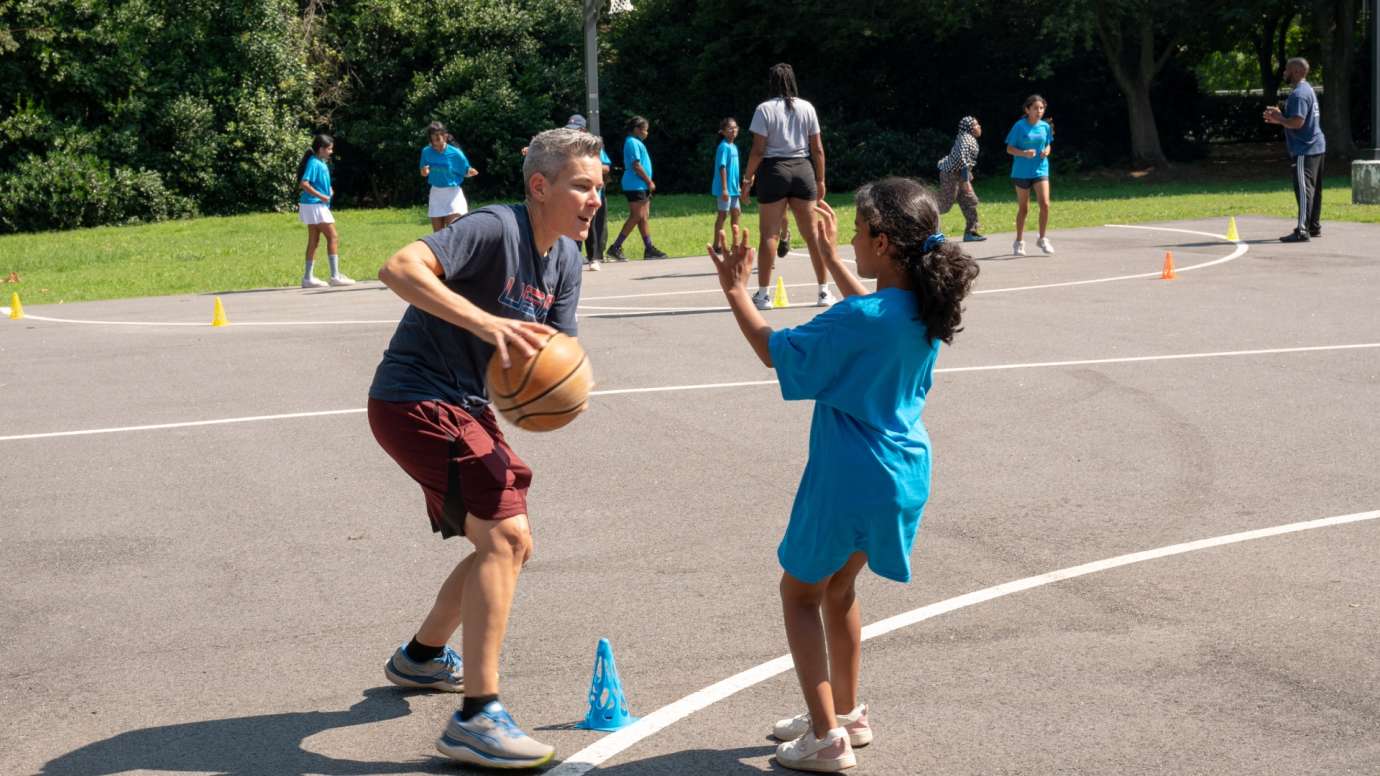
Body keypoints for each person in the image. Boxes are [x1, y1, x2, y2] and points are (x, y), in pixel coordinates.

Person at [708, 178, 978, 772]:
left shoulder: (860, 317)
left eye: (856, 233)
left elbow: (772, 348)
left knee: (799, 593)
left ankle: (826, 738)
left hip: (850, 475)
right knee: (840, 589)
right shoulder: (922, 309)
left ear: (882, 243)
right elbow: (871, 313)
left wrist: (734, 290)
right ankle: (847, 714)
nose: (850, 240)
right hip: (903, 474)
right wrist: (829, 257)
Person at [367, 127, 604, 769]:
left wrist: (565, 388)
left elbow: (556, 352)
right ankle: (476, 716)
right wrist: (485, 322)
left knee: (509, 541)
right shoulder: (495, 229)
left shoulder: (567, 262)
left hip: (464, 404)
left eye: (599, 189)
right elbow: (399, 268)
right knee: (504, 539)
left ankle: (420, 658)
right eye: (582, 186)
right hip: (412, 395)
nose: (594, 202)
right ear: (539, 186)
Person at [742, 63, 833, 308]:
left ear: (771, 83)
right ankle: (824, 291)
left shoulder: (764, 109)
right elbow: (818, 149)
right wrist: (821, 179)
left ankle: (763, 295)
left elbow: (758, 150)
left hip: (774, 170)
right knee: (812, 234)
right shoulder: (807, 107)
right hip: (803, 169)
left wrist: (748, 178)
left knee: (769, 234)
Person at [1263, 57, 1326, 242]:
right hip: (1317, 146)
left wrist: (1280, 118)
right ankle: (1314, 226)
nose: (1284, 73)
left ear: (1297, 71)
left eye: (1287, 70)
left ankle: (1302, 230)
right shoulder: (1308, 89)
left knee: (1304, 190)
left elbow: (1297, 122)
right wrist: (1281, 117)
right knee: (1314, 189)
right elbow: (1297, 120)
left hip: (1305, 149)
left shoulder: (1298, 94)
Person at [296, 134, 355, 288]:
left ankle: (308, 278)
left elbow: (317, 182)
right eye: (329, 149)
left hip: (311, 205)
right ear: (321, 149)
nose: (331, 152)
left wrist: (328, 189)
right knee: (333, 236)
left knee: (314, 241)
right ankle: (335, 276)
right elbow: (304, 183)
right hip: (315, 205)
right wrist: (322, 196)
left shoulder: (318, 162)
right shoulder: (315, 163)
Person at [608, 116, 668, 260]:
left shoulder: (636, 142)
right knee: (637, 216)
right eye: (645, 130)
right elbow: (636, 165)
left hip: (639, 184)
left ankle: (649, 249)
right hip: (635, 184)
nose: (646, 133)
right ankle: (615, 247)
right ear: (636, 130)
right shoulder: (632, 142)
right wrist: (649, 181)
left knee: (643, 217)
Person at [1005, 95, 1054, 256]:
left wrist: (1047, 150)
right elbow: (1009, 149)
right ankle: (1019, 242)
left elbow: (1048, 143)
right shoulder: (1019, 127)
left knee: (1045, 204)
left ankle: (1042, 238)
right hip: (1021, 172)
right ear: (1027, 110)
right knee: (1024, 208)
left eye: (1042, 108)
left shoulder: (1045, 127)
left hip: (1040, 170)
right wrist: (1024, 153)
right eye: (1035, 108)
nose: (1039, 111)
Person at [420, 121, 479, 232]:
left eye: (438, 137)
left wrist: (470, 172)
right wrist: (424, 171)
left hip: (453, 195)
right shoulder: (426, 152)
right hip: (436, 194)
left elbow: (465, 171)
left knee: (453, 232)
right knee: (438, 235)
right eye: (433, 138)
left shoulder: (456, 153)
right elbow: (423, 172)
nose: (436, 141)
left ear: (445, 136)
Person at [936, 116, 987, 242]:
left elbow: (966, 162)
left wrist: (968, 174)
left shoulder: (969, 139)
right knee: (944, 205)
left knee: (970, 201)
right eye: (976, 125)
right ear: (970, 128)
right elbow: (963, 160)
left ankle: (971, 232)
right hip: (950, 174)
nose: (979, 126)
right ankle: (931, 230)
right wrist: (965, 181)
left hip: (960, 174)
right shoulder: (965, 139)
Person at [711, 117, 742, 256]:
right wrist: (724, 188)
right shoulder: (723, 147)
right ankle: (716, 244)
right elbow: (722, 167)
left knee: (736, 213)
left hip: (734, 189)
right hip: (725, 189)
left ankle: (735, 243)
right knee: (723, 215)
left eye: (735, 127)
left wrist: (737, 186)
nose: (733, 130)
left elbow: (734, 170)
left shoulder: (733, 146)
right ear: (722, 132)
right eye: (730, 128)